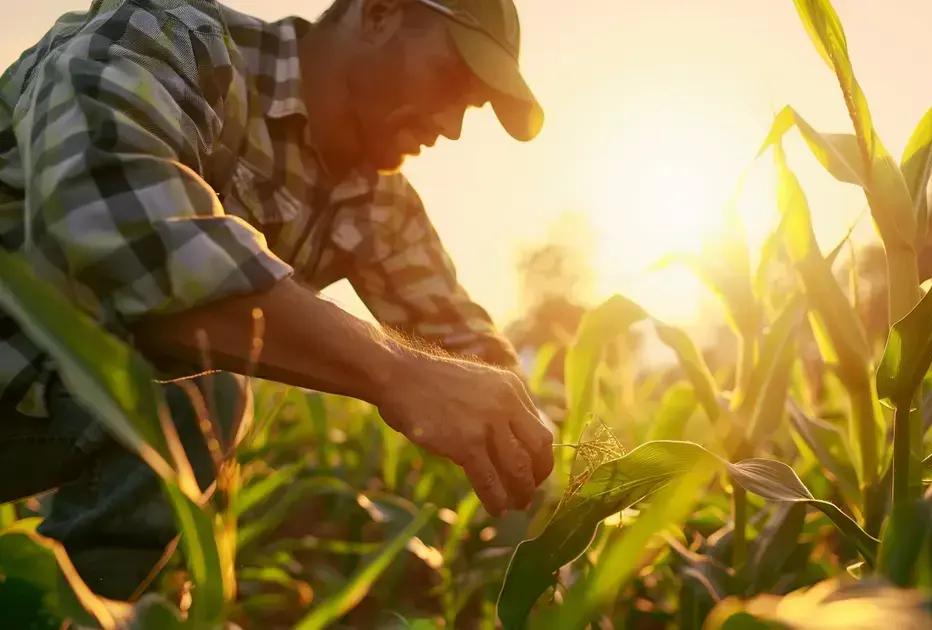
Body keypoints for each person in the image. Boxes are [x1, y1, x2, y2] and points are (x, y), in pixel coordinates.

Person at [0, 0, 554, 599]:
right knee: (206, 391)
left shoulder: (380, 203)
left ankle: (76, 608)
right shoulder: (173, 38)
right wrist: (397, 372)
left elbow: (472, 353)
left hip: (42, 413)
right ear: (378, 14)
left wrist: (566, 465)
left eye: (470, 107)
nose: (452, 126)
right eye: (451, 80)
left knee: (191, 404)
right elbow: (117, 227)